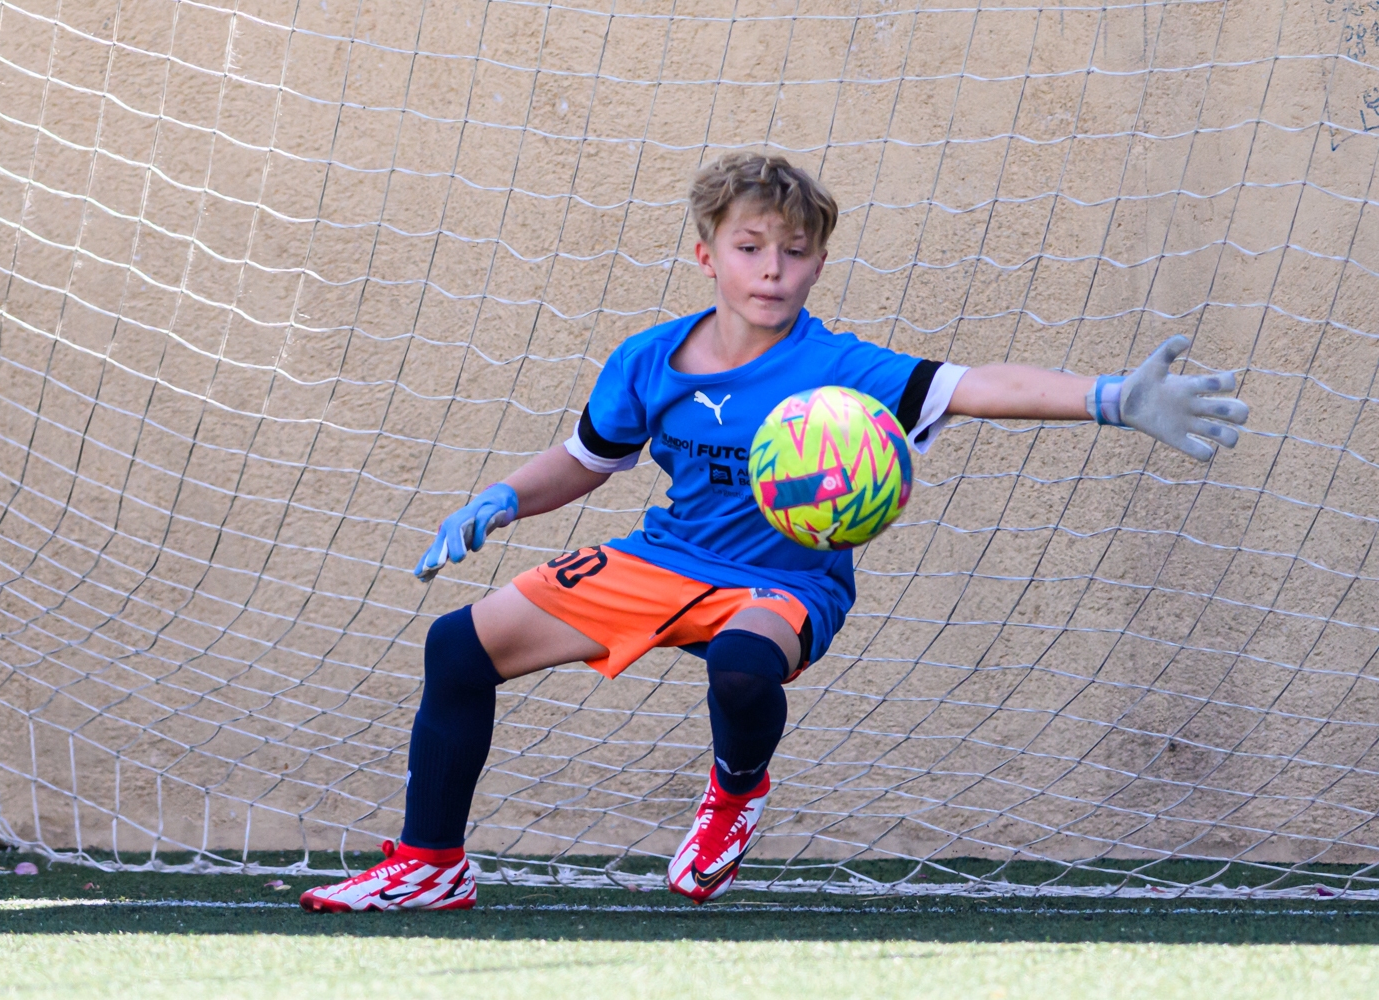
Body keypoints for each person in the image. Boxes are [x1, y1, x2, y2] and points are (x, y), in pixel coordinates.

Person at [299, 152, 1250, 912]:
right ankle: (431, 866)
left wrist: (1112, 397)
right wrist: (502, 498)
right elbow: (588, 459)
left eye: (795, 252)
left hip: (784, 580)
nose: (772, 269)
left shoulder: (839, 367)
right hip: (664, 558)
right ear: (707, 254)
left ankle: (736, 788)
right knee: (457, 648)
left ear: (818, 264)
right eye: (750, 247)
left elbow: (980, 385)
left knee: (744, 667)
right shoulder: (649, 359)